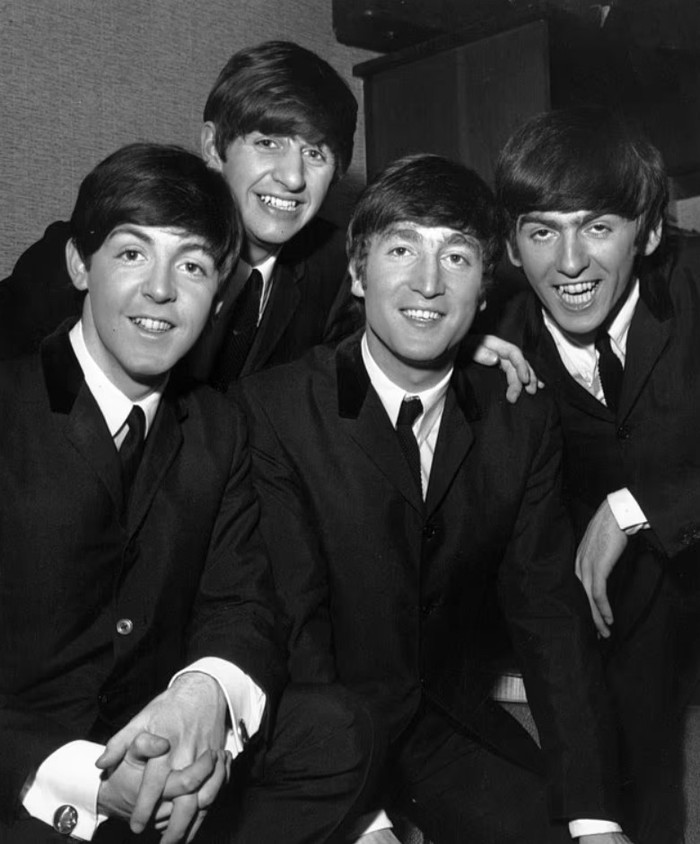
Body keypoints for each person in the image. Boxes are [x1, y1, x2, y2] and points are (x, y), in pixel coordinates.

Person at [236, 153, 630, 844]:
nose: (428, 281)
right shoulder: (276, 411)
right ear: (358, 272)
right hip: (314, 733)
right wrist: (364, 822)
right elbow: (295, 627)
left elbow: (549, 617)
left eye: (456, 257)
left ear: (484, 291)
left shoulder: (519, 418)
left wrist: (594, 818)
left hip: (443, 724)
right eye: (401, 250)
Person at [0, 143, 376, 844]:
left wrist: (204, 695)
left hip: (157, 741)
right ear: (79, 265)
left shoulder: (216, 426)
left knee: (336, 734)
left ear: (222, 292)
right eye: (132, 254)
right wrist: (81, 779)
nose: (162, 291)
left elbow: (242, 602)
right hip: (28, 770)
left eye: (194, 266)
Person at [494, 105, 700, 844]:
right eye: (542, 232)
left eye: (598, 227)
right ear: (511, 246)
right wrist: (443, 355)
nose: (571, 262)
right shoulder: (492, 338)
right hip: (629, 614)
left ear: (647, 232)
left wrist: (637, 505)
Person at [0, 41, 359, 383]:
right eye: (268, 143)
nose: (293, 177)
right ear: (213, 147)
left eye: (315, 153)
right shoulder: (92, 255)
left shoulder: (340, 273)